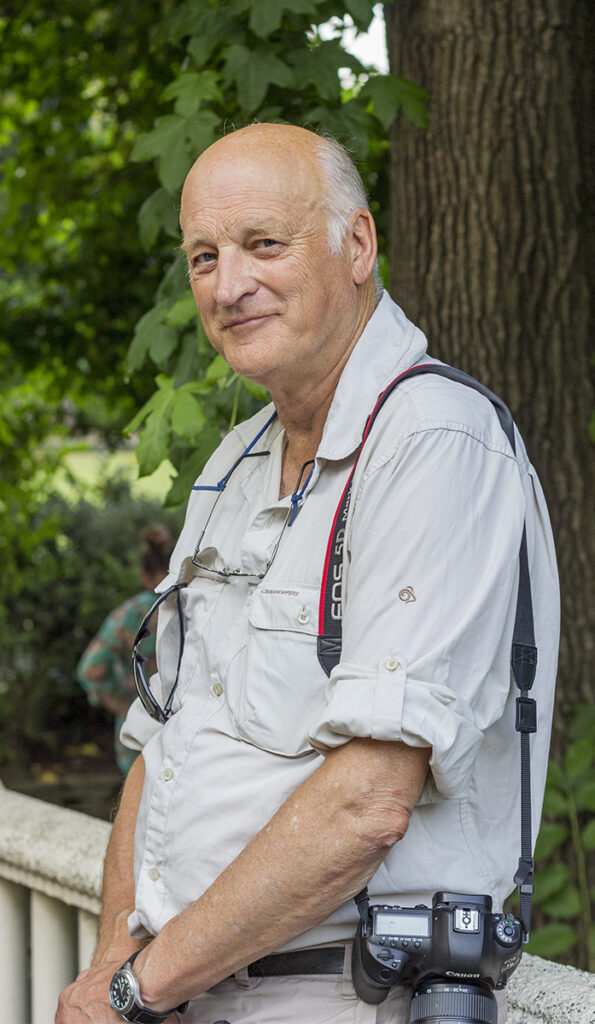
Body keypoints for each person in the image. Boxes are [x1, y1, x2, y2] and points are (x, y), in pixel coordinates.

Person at [56, 124, 559, 1024]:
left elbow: (368, 800)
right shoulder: (234, 462)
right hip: (180, 991)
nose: (229, 284)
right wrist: (113, 969)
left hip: (336, 996)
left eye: (262, 244)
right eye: (203, 257)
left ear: (356, 244)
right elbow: (160, 749)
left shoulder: (432, 439)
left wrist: (139, 988)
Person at [77, 525, 174, 774]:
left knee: (138, 801)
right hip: (186, 724)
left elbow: (91, 668)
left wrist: (122, 704)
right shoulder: (193, 604)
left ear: (144, 575)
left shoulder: (133, 613)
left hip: (139, 726)